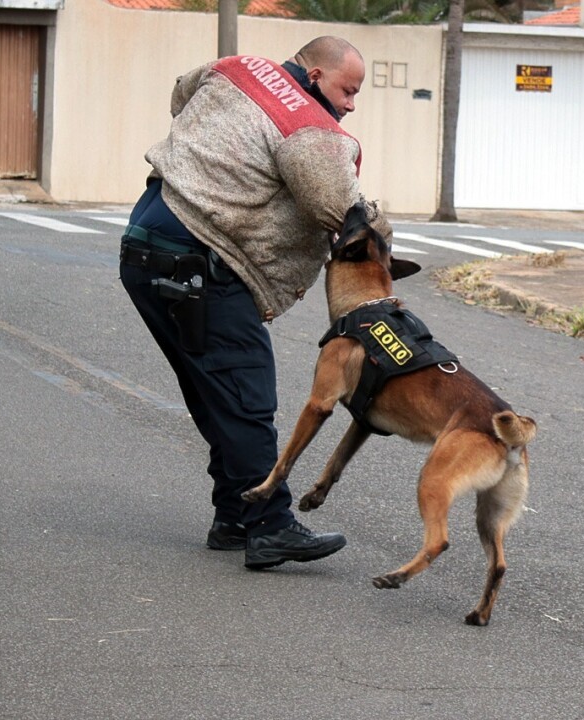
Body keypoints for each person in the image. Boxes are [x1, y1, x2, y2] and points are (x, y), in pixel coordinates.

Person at [118, 36, 391, 570]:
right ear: (315, 75)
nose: (351, 104)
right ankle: (269, 526)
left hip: (145, 248)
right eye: (348, 90)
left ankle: (233, 517)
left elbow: (180, 95)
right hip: (201, 262)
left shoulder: (237, 68)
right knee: (245, 395)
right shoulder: (311, 130)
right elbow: (340, 210)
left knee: (215, 389)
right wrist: (382, 229)